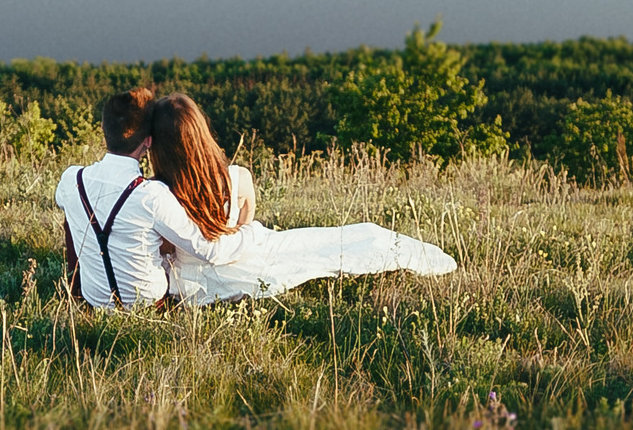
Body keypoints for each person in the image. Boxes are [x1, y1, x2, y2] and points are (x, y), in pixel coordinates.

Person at [143, 91, 457, 306]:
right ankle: (395, 248)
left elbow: (167, 248)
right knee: (324, 245)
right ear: (202, 133)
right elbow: (244, 223)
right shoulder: (238, 179)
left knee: (315, 251)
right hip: (246, 250)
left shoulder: (159, 195)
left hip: (195, 281)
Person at [55, 86, 262, 311]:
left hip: (93, 299)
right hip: (147, 305)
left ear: (104, 129)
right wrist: (254, 232)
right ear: (148, 141)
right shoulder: (152, 195)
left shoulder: (71, 179)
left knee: (74, 212)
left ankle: (75, 288)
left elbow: (70, 212)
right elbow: (209, 250)